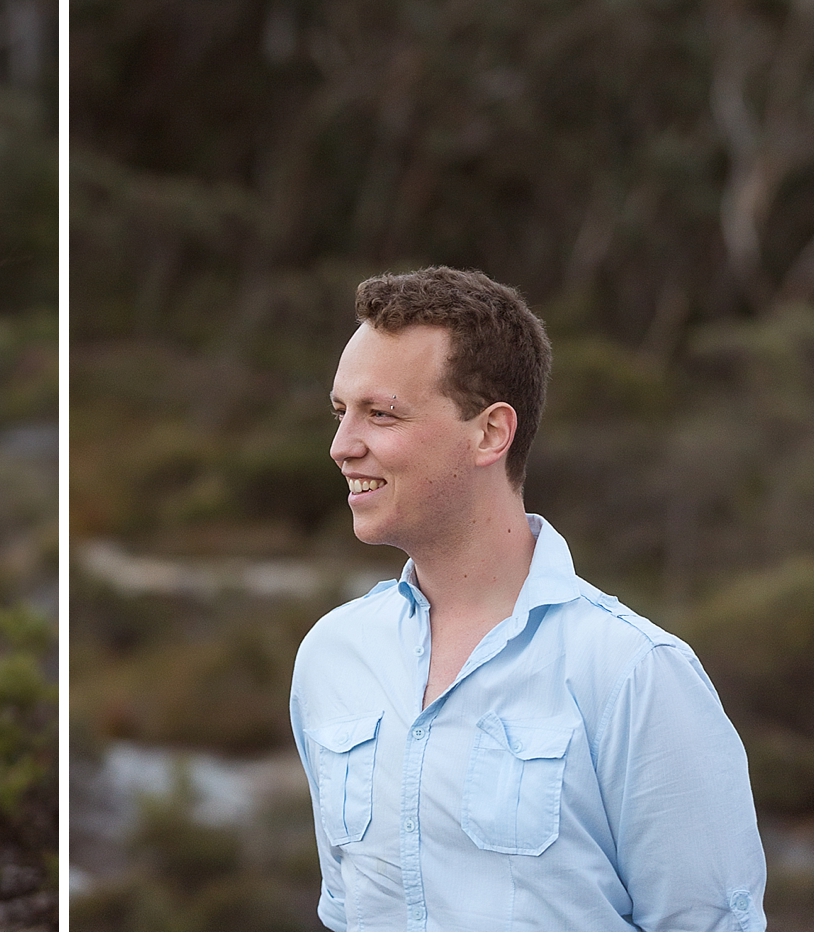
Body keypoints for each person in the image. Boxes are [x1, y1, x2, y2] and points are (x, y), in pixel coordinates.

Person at [290, 266, 766, 932]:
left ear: (490, 433)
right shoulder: (331, 658)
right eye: (342, 412)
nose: (342, 447)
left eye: (382, 414)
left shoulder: (636, 673)